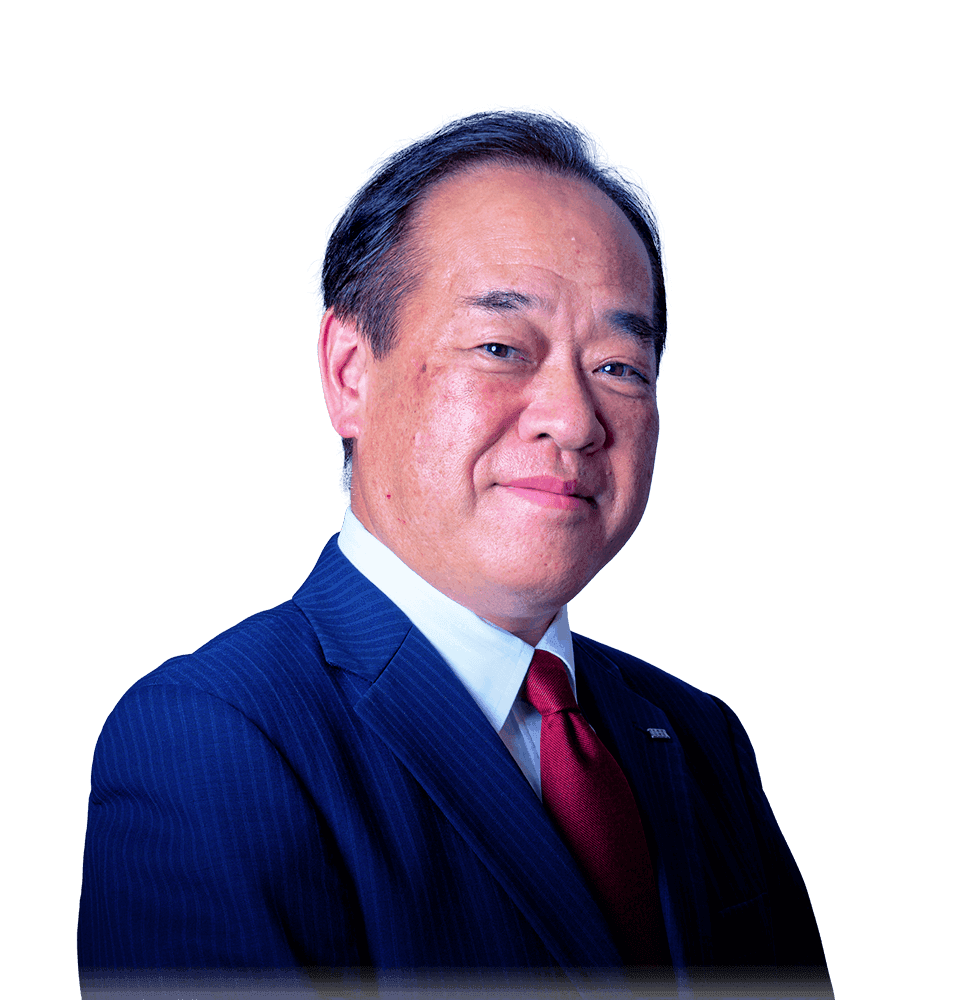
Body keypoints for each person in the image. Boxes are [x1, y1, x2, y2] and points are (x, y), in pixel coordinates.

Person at [78, 107, 833, 1000]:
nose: (575, 419)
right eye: (501, 348)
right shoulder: (214, 742)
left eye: (619, 368)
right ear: (350, 373)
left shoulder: (701, 740)